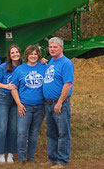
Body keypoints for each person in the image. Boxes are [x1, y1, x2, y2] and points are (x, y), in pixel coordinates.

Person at [10, 45, 47, 164]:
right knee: (21, 133)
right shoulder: (20, 69)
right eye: (31, 54)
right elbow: (13, 88)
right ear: (26, 55)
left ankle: (31, 158)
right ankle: (21, 158)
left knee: (34, 133)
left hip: (40, 106)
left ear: (39, 55)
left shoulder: (44, 68)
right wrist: (19, 104)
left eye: (35, 54)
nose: (33, 56)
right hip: (25, 106)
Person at [43, 37, 74, 168]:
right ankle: (52, 158)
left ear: (61, 48)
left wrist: (60, 102)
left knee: (63, 133)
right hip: (49, 103)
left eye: (55, 47)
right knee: (51, 133)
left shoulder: (66, 63)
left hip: (60, 104)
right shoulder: (51, 62)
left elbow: (68, 84)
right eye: (50, 47)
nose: (52, 49)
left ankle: (62, 161)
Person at [0, 45, 22, 164]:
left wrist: (43, 61)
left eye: (17, 52)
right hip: (4, 98)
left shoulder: (23, 67)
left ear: (20, 53)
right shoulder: (3, 67)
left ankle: (10, 154)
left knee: (14, 128)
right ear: (9, 55)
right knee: (1, 127)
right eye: (12, 53)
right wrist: (6, 86)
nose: (15, 54)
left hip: (18, 100)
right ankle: (1, 154)